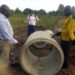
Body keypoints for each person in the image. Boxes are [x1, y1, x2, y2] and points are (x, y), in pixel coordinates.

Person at [54, 5, 75, 70]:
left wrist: (73, 39)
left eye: (65, 11)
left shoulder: (72, 19)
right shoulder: (67, 18)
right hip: (64, 39)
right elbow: (64, 30)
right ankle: (63, 64)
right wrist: (57, 34)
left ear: (68, 11)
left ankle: (65, 66)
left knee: (65, 53)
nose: (64, 12)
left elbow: (70, 31)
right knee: (63, 52)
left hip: (68, 40)